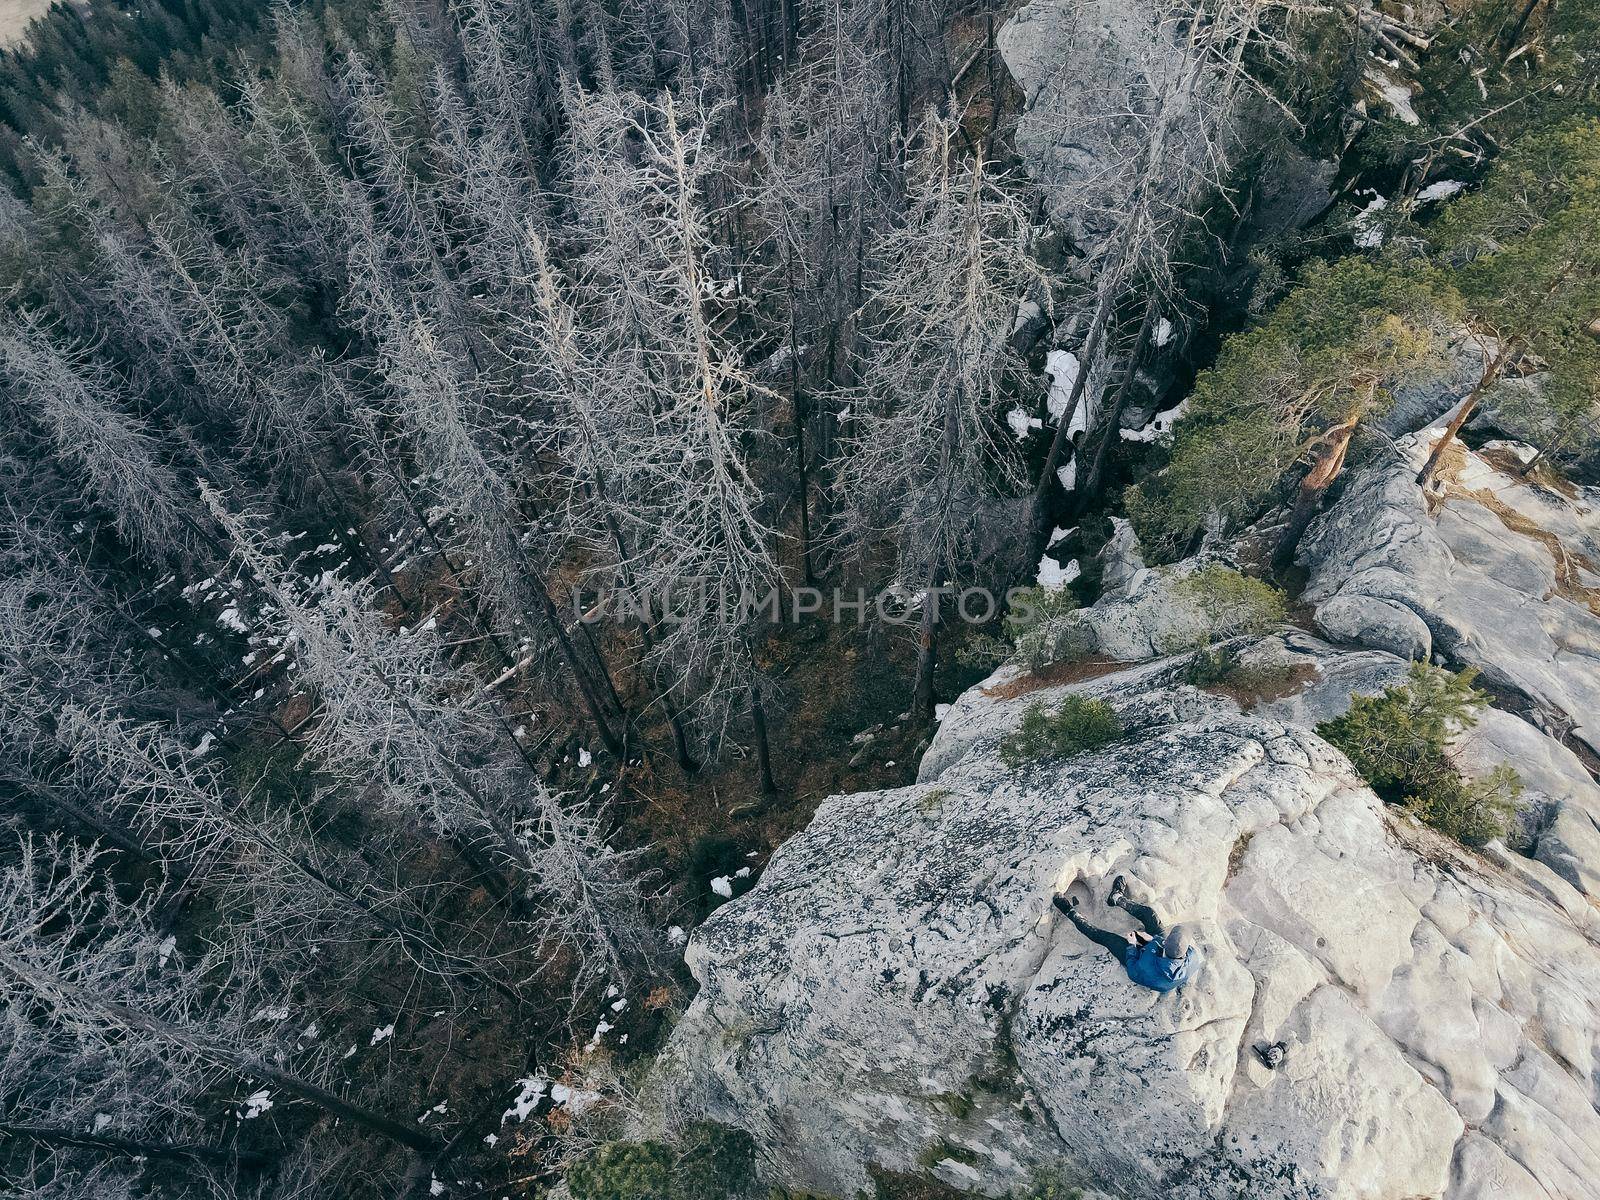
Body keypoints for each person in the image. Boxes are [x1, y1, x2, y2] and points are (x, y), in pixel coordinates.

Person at [1052, 874, 1199, 993]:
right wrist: (1154, 939)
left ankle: (1069, 911)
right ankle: (1116, 898)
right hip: (1161, 954)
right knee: (1150, 915)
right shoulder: (1192, 958)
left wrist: (1133, 945)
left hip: (1140, 960)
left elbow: (1132, 969)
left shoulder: (1146, 968)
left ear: (1166, 943)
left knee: (1105, 937)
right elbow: (1166, 945)